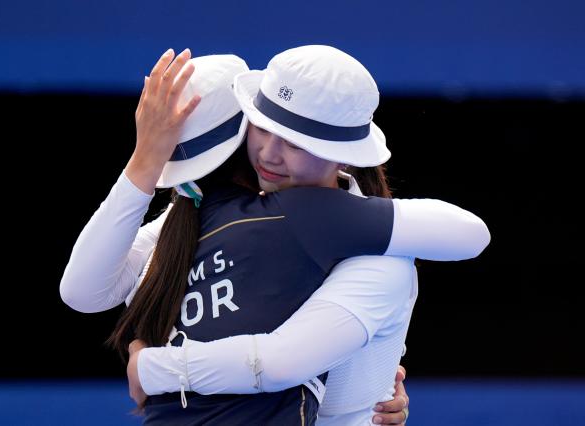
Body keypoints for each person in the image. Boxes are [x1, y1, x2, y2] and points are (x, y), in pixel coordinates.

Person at [60, 47, 489, 425]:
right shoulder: (200, 212)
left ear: (343, 154)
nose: (269, 154)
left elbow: (286, 365)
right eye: (262, 128)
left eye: (295, 143)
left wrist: (153, 369)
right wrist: (144, 162)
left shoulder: (380, 257)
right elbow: (83, 291)